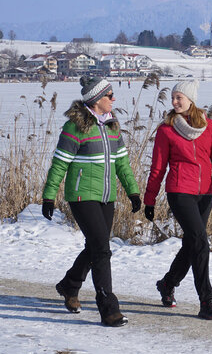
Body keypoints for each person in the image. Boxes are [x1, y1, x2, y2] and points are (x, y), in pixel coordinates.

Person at [42, 76, 141, 327]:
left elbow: (122, 164)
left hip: (106, 196)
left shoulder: (112, 126)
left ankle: (69, 285)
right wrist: (49, 196)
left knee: (97, 246)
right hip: (81, 195)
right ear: (96, 100)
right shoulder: (75, 127)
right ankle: (108, 308)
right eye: (109, 95)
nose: (113, 99)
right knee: (101, 249)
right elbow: (59, 164)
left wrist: (133, 192)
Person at [143, 80, 212, 320]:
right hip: (179, 191)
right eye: (172, 98)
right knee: (200, 241)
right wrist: (150, 199)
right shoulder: (166, 130)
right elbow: (157, 168)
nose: (174, 102)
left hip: (205, 193)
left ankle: (167, 284)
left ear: (191, 99)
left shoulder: (210, 127)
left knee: (192, 244)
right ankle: (207, 300)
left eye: (179, 97)